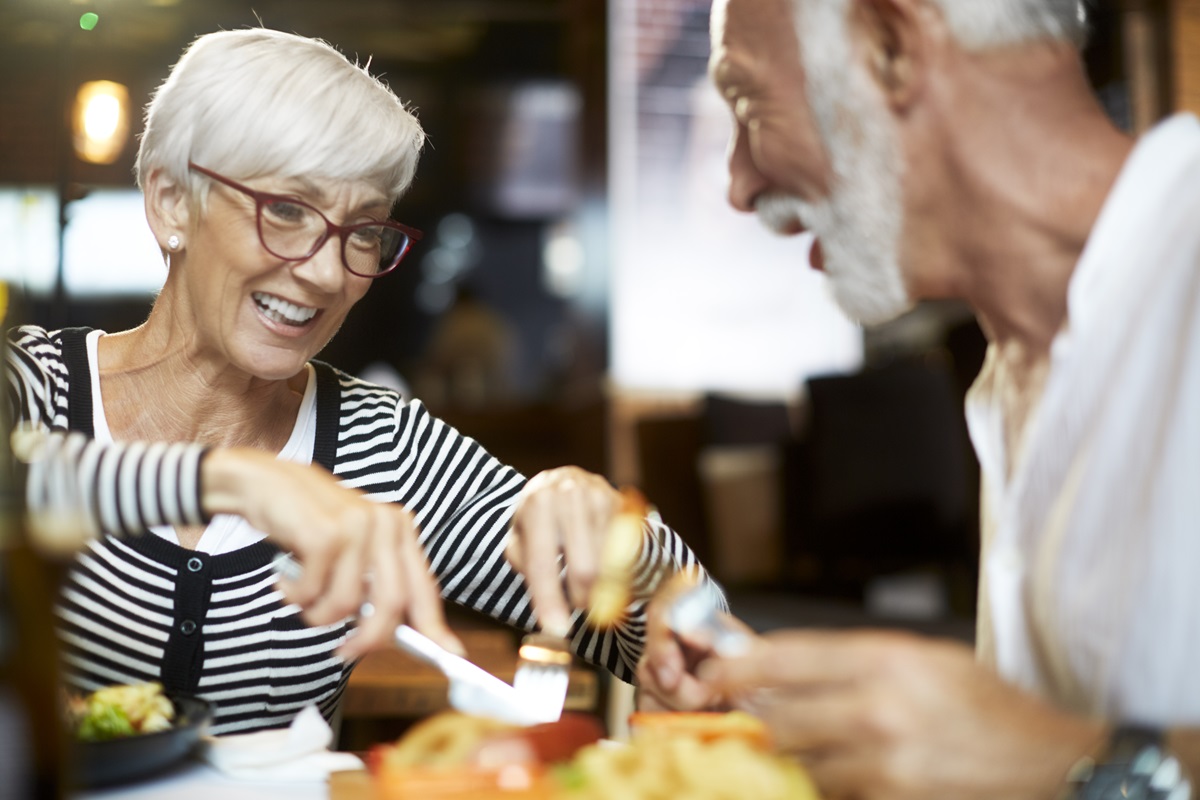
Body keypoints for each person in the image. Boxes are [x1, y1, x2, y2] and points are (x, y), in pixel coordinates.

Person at [5, 27, 714, 736]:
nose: (326, 273)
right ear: (171, 203)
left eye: (364, 230)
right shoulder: (29, 385)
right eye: (285, 210)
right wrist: (230, 479)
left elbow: (689, 632)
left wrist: (622, 539)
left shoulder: (387, 449)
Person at [636, 0, 1200, 797]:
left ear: (893, 48)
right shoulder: (1012, 372)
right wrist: (789, 717)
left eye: (749, 104)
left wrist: (1076, 766)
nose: (738, 184)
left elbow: (1054, 759)